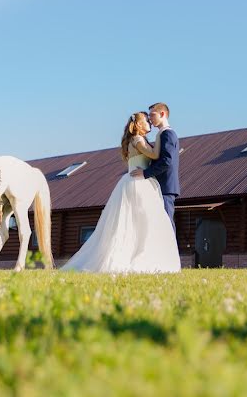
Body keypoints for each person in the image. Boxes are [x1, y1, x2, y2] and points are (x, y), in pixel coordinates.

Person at [62, 111, 181, 273]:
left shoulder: (135, 140)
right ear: (139, 125)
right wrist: (161, 134)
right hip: (139, 183)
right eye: (146, 121)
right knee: (143, 221)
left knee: (137, 222)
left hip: (133, 181)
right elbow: (154, 154)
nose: (150, 124)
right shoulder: (138, 140)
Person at [130, 102, 179, 235]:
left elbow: (166, 161)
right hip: (160, 186)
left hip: (165, 186)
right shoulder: (161, 135)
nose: (150, 119)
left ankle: (170, 254)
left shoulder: (167, 134)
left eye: (152, 115)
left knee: (166, 222)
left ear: (162, 114)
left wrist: (145, 173)